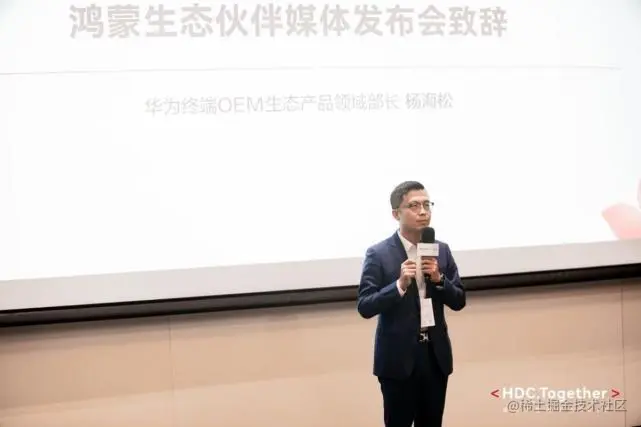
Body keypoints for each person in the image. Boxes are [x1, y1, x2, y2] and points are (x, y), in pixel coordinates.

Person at [357, 180, 466, 427]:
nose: (423, 211)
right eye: (414, 206)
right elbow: (365, 305)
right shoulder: (378, 254)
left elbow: (459, 300)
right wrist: (398, 286)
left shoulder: (441, 250)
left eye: (427, 205)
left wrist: (439, 279)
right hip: (398, 360)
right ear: (396, 214)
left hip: (434, 356)